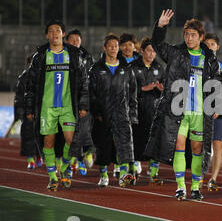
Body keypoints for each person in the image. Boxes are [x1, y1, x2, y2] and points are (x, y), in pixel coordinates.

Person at [143, 10, 222, 201]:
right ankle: (180, 187)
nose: (189, 38)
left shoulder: (210, 58)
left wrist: (216, 105)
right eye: (186, 34)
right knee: (178, 146)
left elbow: (218, 81)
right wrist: (160, 27)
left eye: (193, 35)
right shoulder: (175, 53)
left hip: (199, 112)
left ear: (201, 37)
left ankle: (195, 187)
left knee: (197, 149)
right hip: (177, 110)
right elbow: (158, 45)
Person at [24, 20, 89, 191]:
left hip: (68, 106)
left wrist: (83, 104)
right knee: (48, 141)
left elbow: (83, 81)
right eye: (51, 31)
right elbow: (30, 85)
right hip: (47, 107)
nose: (55, 33)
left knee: (70, 139)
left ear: (63, 34)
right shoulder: (40, 57)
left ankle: (65, 168)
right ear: (47, 35)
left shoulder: (73, 55)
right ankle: (53, 177)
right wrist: (30, 108)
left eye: (58, 30)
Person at [89, 34, 138, 188]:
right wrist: (96, 113)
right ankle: (103, 175)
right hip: (103, 116)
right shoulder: (96, 69)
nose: (113, 49)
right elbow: (91, 94)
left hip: (122, 114)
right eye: (110, 46)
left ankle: (124, 175)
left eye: (115, 46)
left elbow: (133, 94)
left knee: (124, 145)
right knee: (103, 147)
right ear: (105, 48)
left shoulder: (126, 69)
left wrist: (132, 115)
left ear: (119, 48)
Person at [130, 37, 165, 185]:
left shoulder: (160, 68)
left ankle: (154, 170)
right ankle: (134, 167)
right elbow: (126, 88)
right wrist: (143, 89)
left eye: (154, 51)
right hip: (136, 110)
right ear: (142, 51)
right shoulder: (132, 67)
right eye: (149, 50)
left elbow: (166, 88)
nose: (151, 54)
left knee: (155, 141)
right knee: (136, 140)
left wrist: (162, 90)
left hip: (154, 110)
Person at [65, 29, 95, 175]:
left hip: (85, 99)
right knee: (69, 134)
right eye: (72, 39)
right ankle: (72, 162)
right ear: (66, 41)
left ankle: (83, 155)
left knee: (84, 130)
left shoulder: (87, 58)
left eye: (78, 39)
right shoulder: (62, 57)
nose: (76, 42)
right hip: (66, 100)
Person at [203, 33, 222, 191]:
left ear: (217, 47)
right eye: (207, 44)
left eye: (213, 44)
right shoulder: (197, 63)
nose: (210, 47)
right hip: (200, 110)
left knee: (217, 145)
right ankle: (199, 176)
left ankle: (213, 178)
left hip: (217, 111)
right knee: (199, 145)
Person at [14, 55, 43, 170]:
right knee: (28, 136)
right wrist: (22, 114)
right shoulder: (23, 78)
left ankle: (40, 156)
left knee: (42, 136)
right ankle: (30, 159)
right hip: (28, 113)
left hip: (41, 113)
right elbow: (19, 97)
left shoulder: (44, 77)